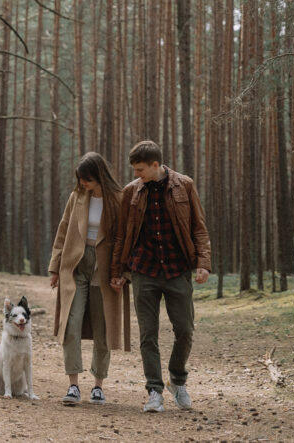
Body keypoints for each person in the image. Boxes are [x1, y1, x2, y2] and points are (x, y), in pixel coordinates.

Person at [110, 140, 211, 412]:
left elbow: (198, 228)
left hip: (178, 270)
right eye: (133, 169)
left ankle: (177, 380)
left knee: (185, 331)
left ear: (156, 165)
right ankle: (154, 390)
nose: (135, 174)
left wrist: (203, 263)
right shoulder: (131, 192)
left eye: (140, 169)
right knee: (148, 335)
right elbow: (122, 235)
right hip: (144, 271)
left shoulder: (184, 185)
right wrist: (117, 270)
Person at [49, 152, 130, 406]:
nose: (83, 183)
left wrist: (123, 273)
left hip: (105, 270)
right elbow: (63, 230)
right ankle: (73, 385)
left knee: (102, 329)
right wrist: (54, 267)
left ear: (99, 176)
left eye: (87, 179)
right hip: (75, 267)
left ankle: (98, 386)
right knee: (70, 325)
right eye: (81, 179)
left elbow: (126, 238)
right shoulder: (77, 197)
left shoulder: (118, 199)